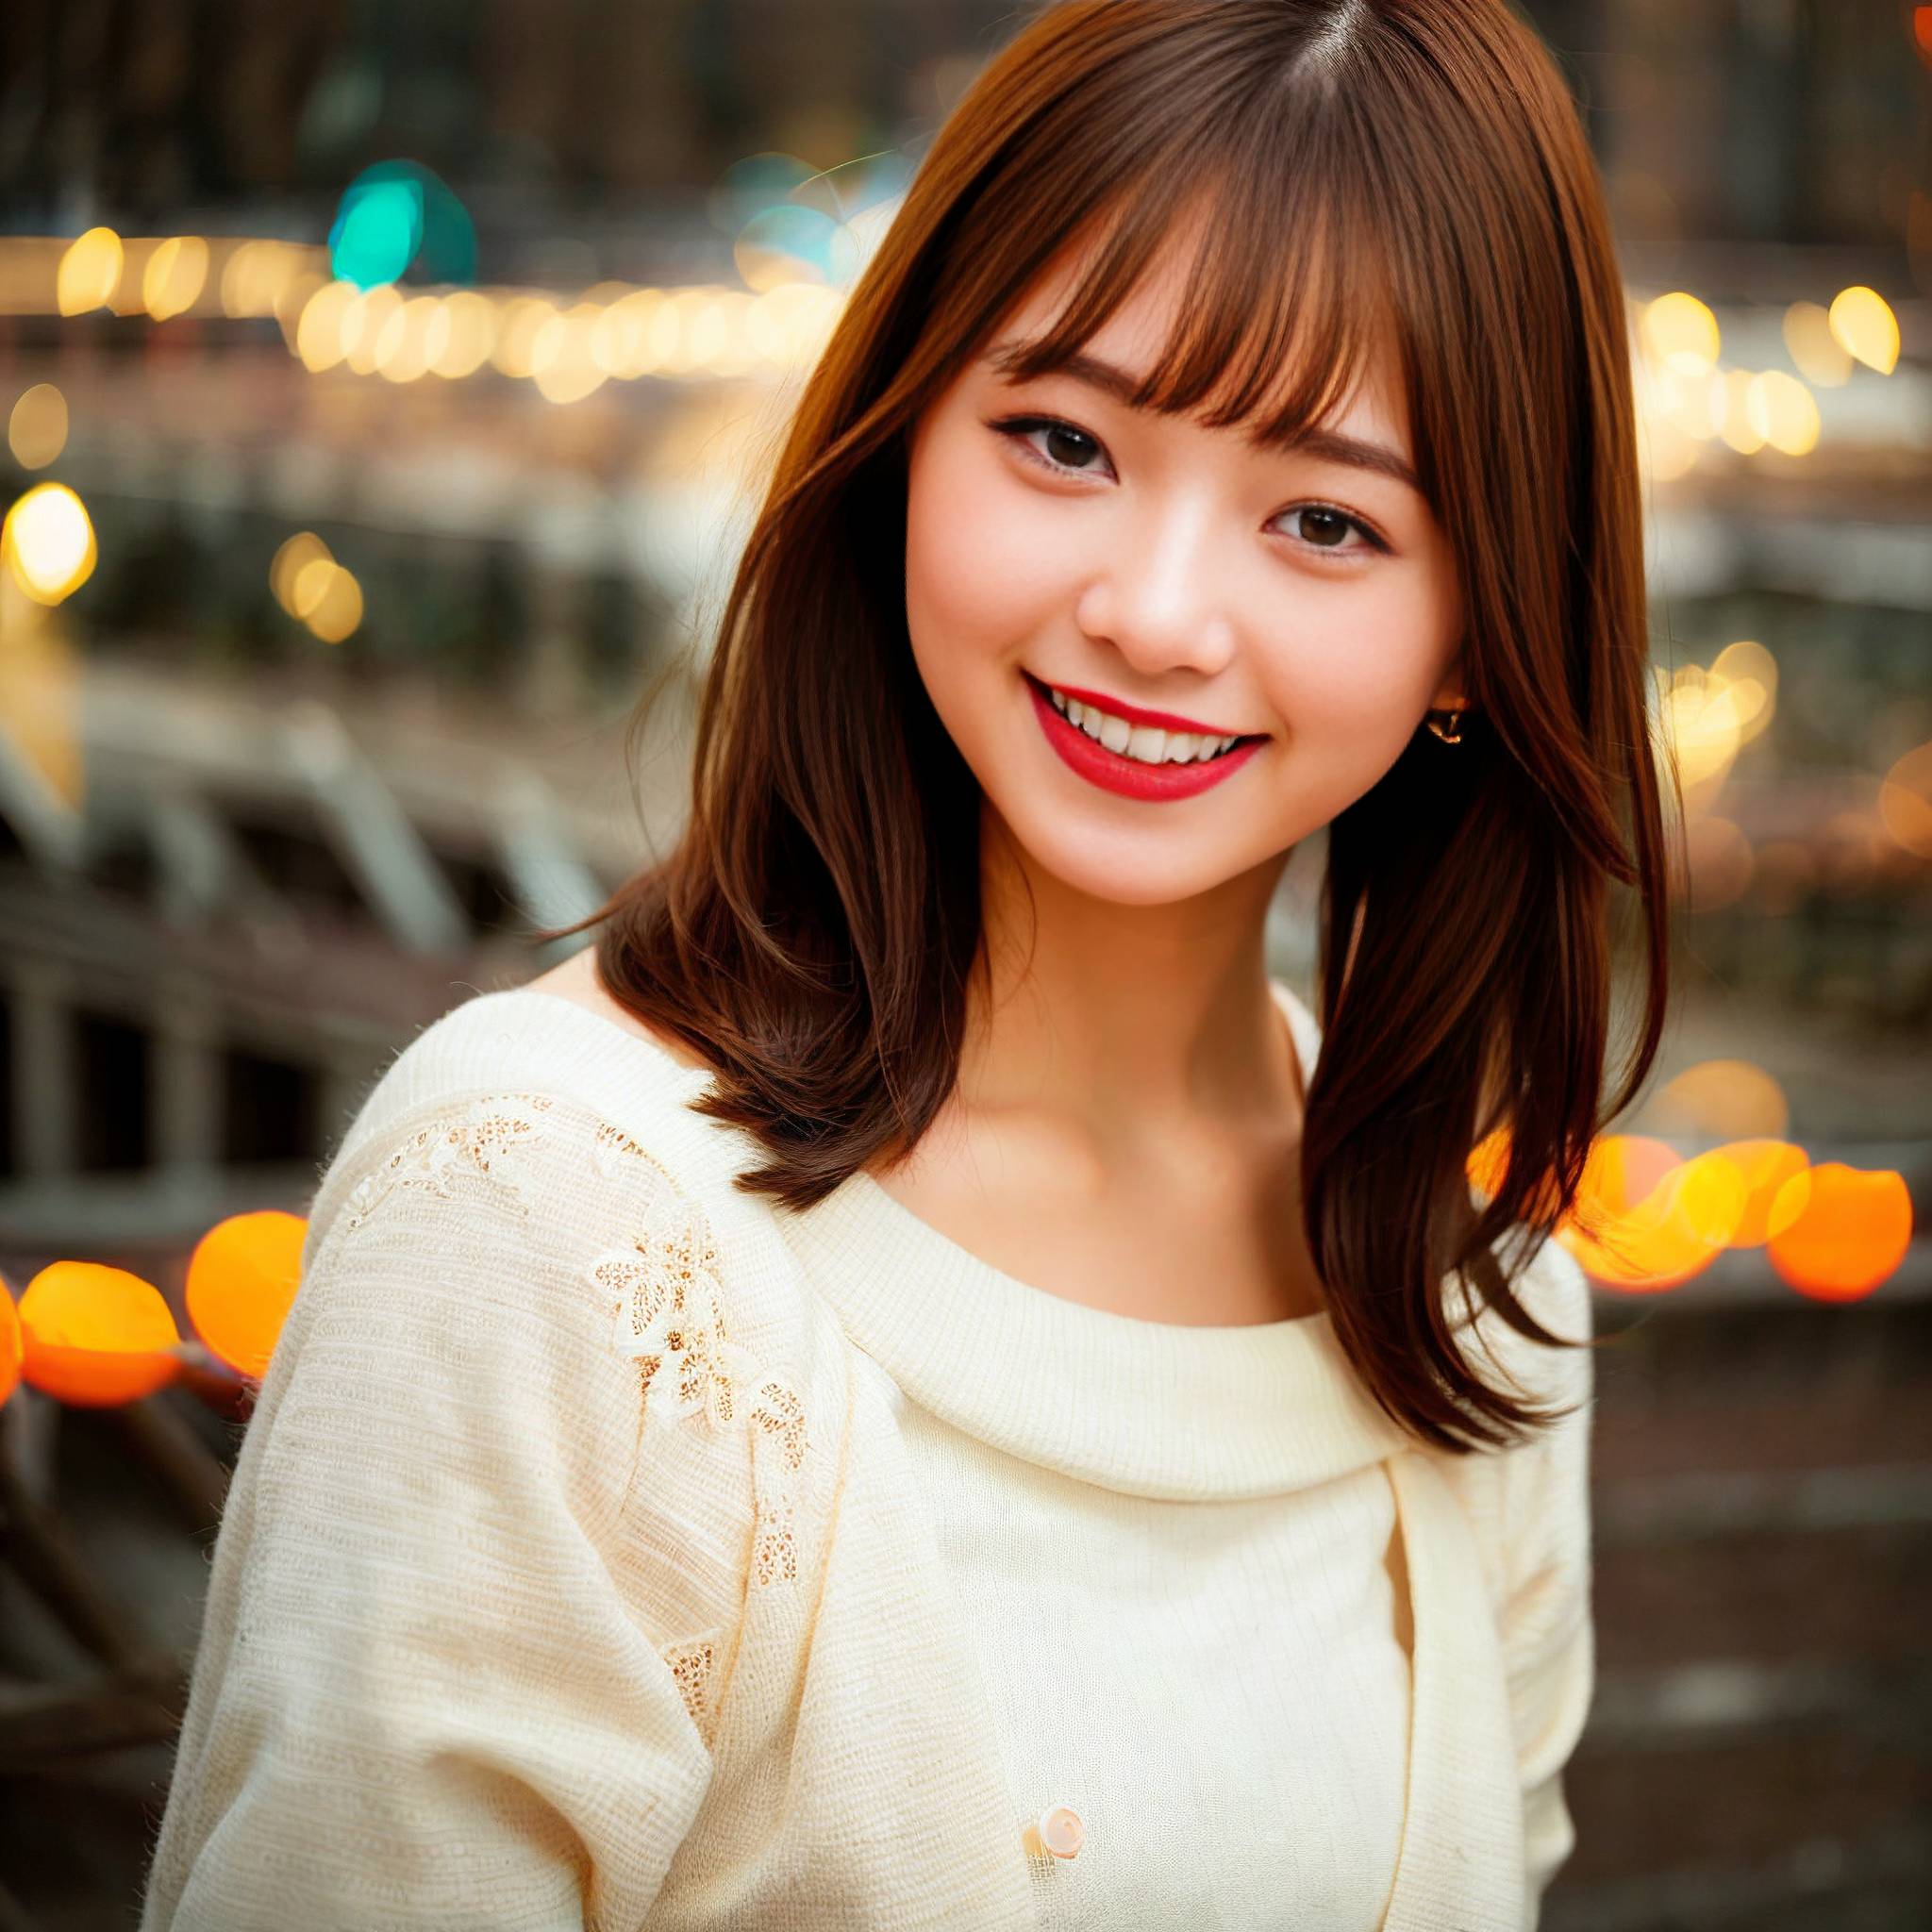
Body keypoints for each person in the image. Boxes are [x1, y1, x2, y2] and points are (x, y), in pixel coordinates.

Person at [140, 1, 1672, 1926]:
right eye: (1060, 439)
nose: (1154, 613)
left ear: (1477, 628)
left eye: (1322, 518)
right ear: (899, 450)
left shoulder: (1476, 1291)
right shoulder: (544, 1217)